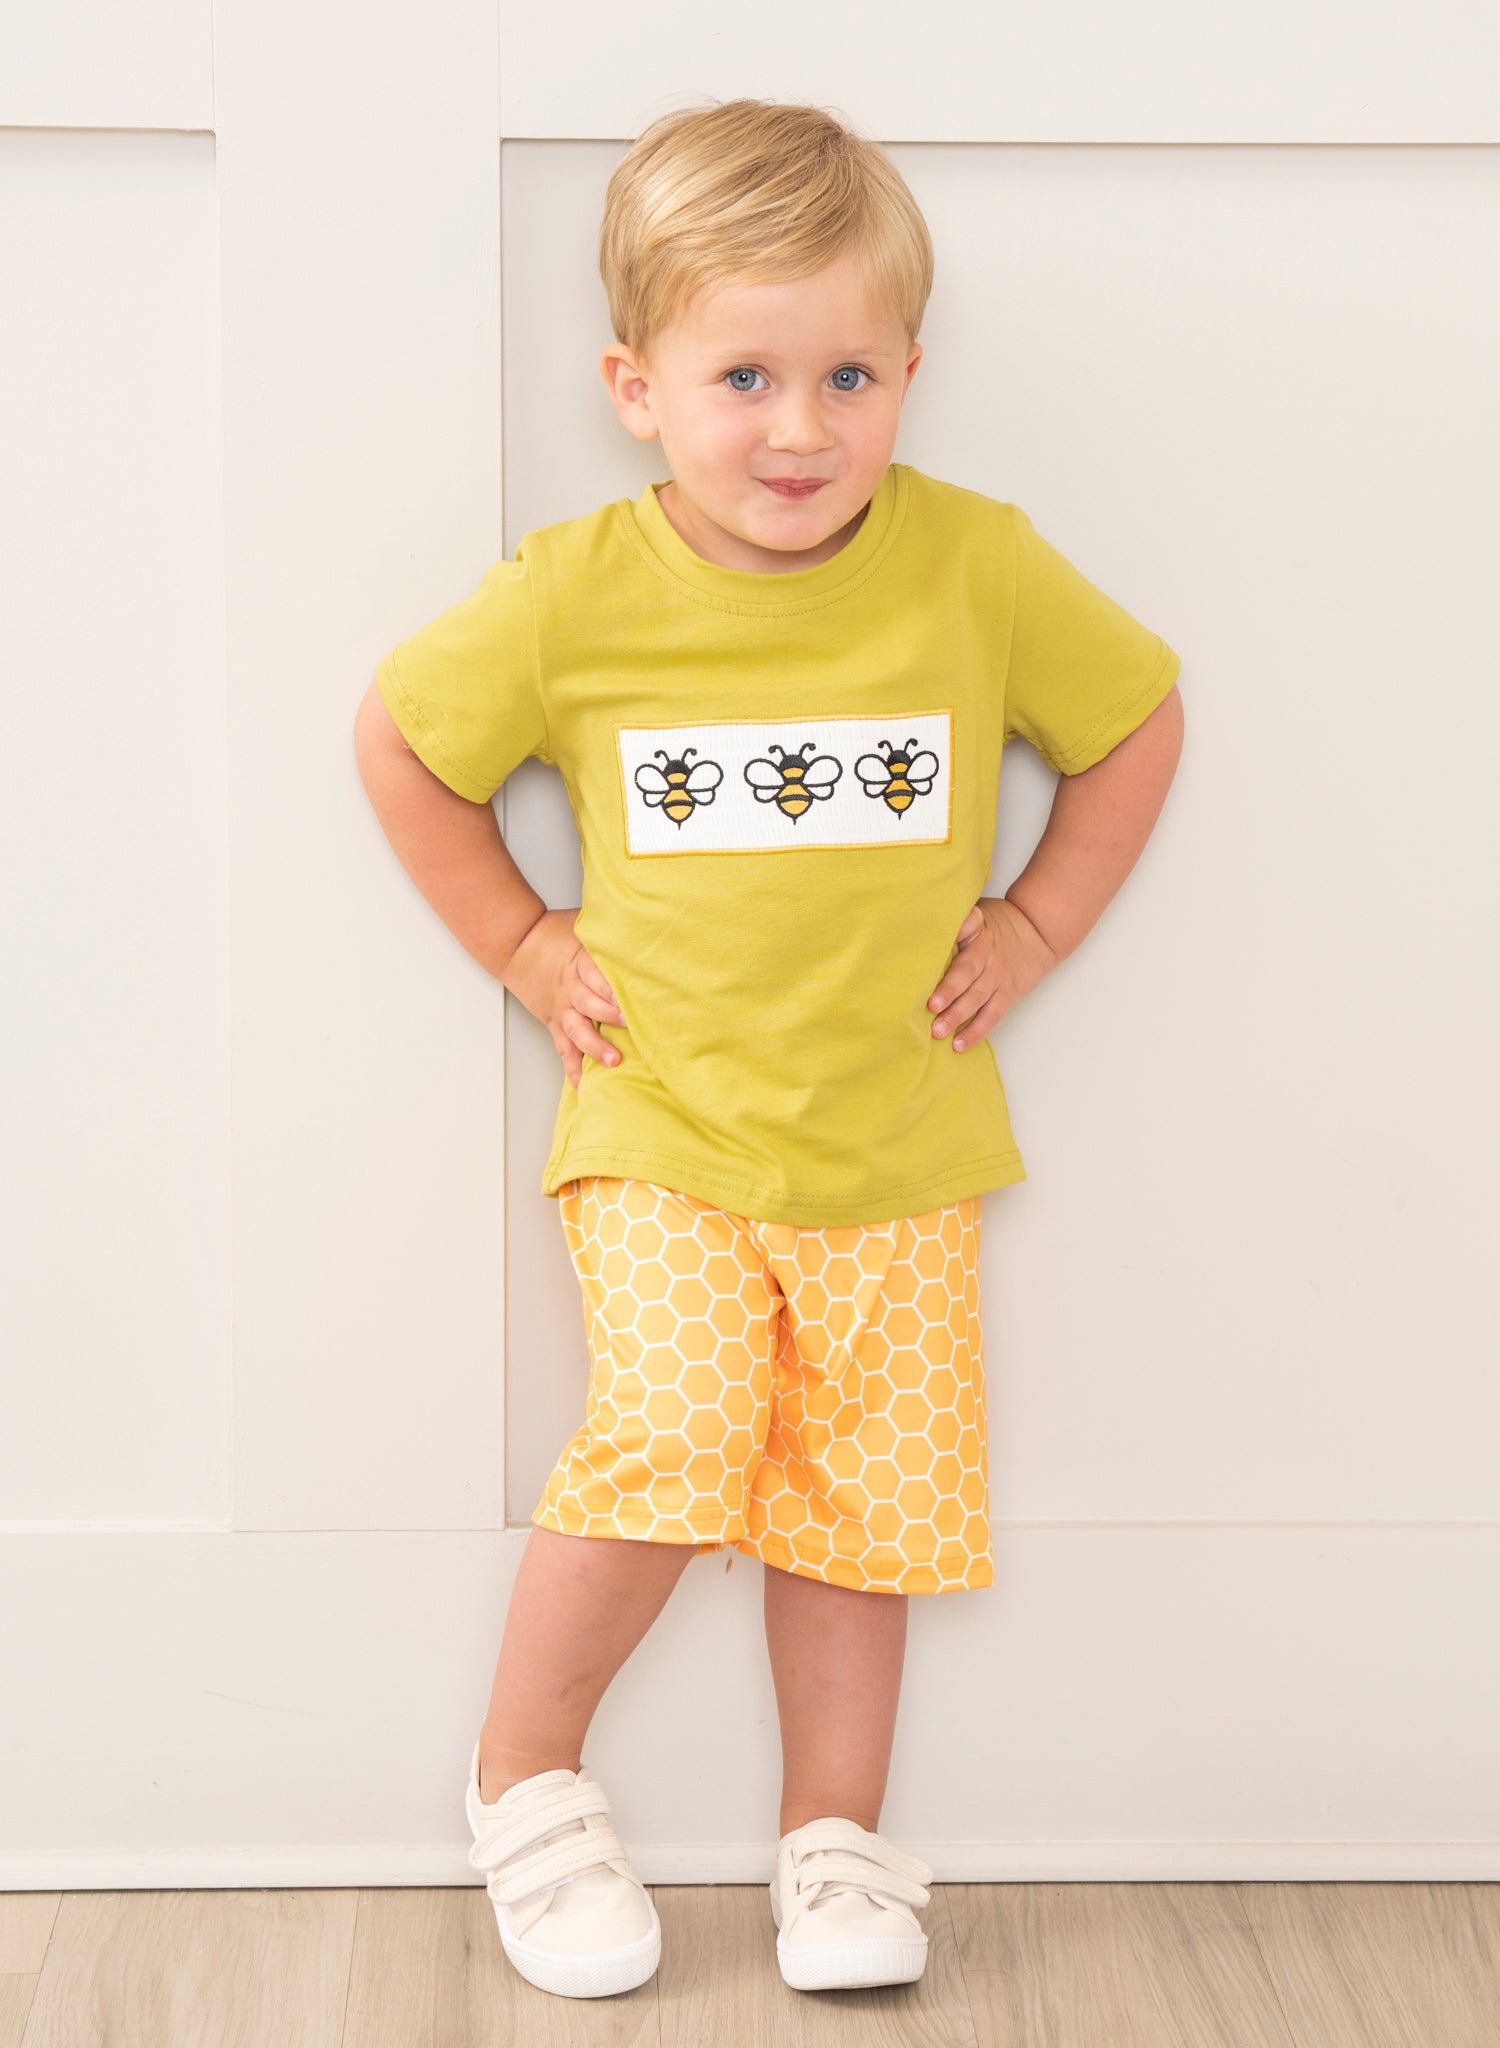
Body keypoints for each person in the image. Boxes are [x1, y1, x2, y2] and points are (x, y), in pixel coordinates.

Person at [354, 95, 1184, 2003]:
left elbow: (1135, 720)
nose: (800, 428)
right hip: (665, 1126)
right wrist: (523, 940)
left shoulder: (975, 566)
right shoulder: (575, 591)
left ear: (909, 375)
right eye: (745, 377)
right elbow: (403, 743)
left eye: (847, 377)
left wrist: (1036, 922)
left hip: (901, 1140)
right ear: (636, 387)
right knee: (676, 1431)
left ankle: (837, 1844)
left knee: (864, 1504)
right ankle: (524, 1777)